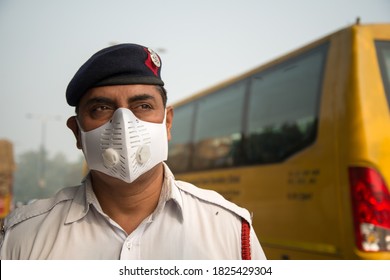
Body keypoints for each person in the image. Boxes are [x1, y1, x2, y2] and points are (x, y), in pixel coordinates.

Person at [0, 43, 266, 260]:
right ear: (77, 132)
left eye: (142, 106)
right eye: (101, 109)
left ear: (168, 122)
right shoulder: (22, 239)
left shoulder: (230, 230)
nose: (123, 125)